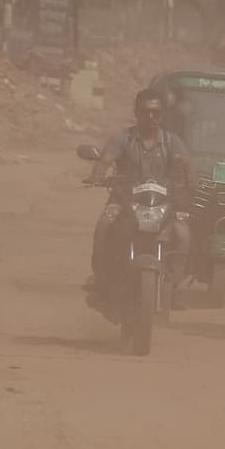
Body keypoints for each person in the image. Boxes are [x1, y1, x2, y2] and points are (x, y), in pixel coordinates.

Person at [85, 90, 196, 302]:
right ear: (137, 113)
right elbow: (106, 160)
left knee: (183, 233)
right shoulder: (123, 139)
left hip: (162, 204)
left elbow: (188, 165)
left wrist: (192, 183)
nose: (151, 117)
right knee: (104, 225)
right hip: (124, 201)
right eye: (146, 112)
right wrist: (97, 176)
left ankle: (175, 284)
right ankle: (100, 277)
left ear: (162, 115)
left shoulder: (172, 142)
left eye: (156, 113)